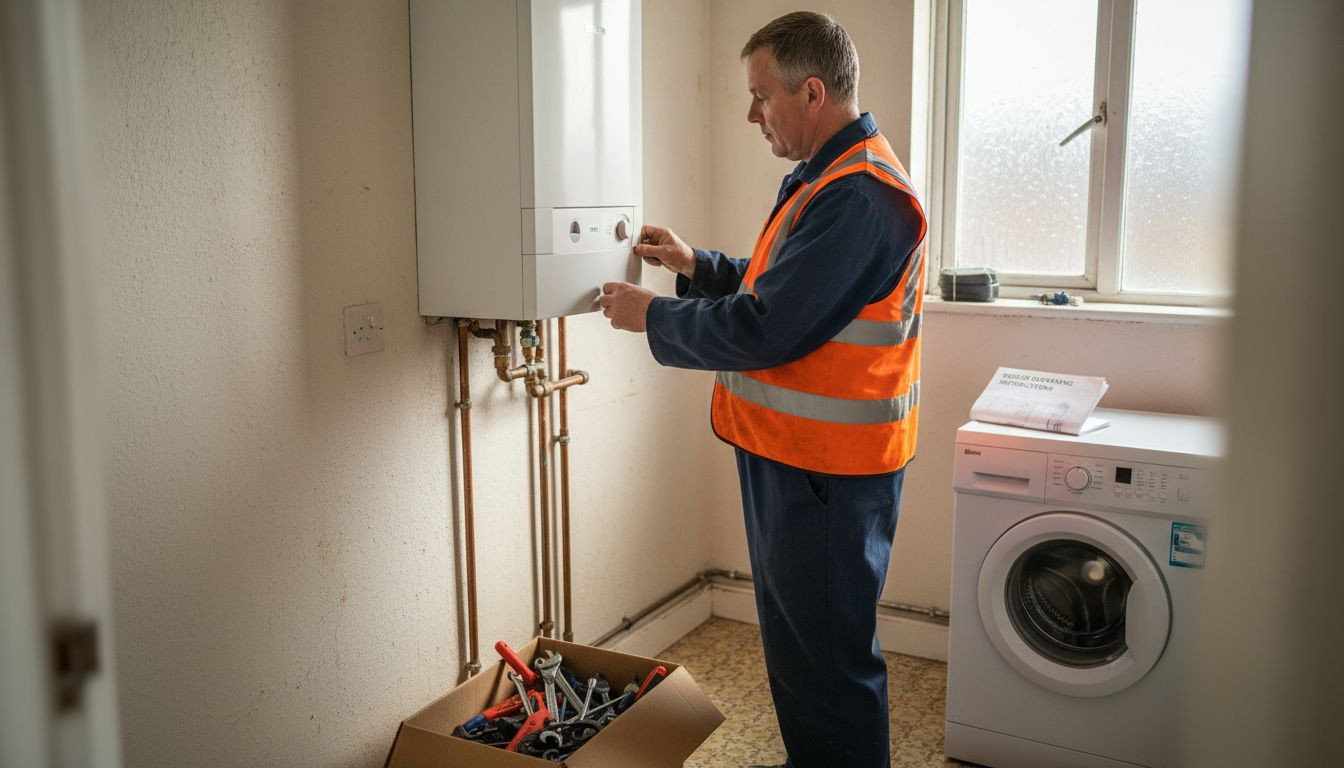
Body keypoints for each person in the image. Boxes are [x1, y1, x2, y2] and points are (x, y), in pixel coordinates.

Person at [598, 11, 926, 768]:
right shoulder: (827, 178)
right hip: (799, 463)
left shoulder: (862, 194)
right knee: (800, 654)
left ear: (812, 93)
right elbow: (780, 286)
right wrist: (694, 262)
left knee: (829, 667)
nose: (751, 114)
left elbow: (768, 327)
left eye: (760, 96)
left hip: (828, 476)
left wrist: (653, 315)